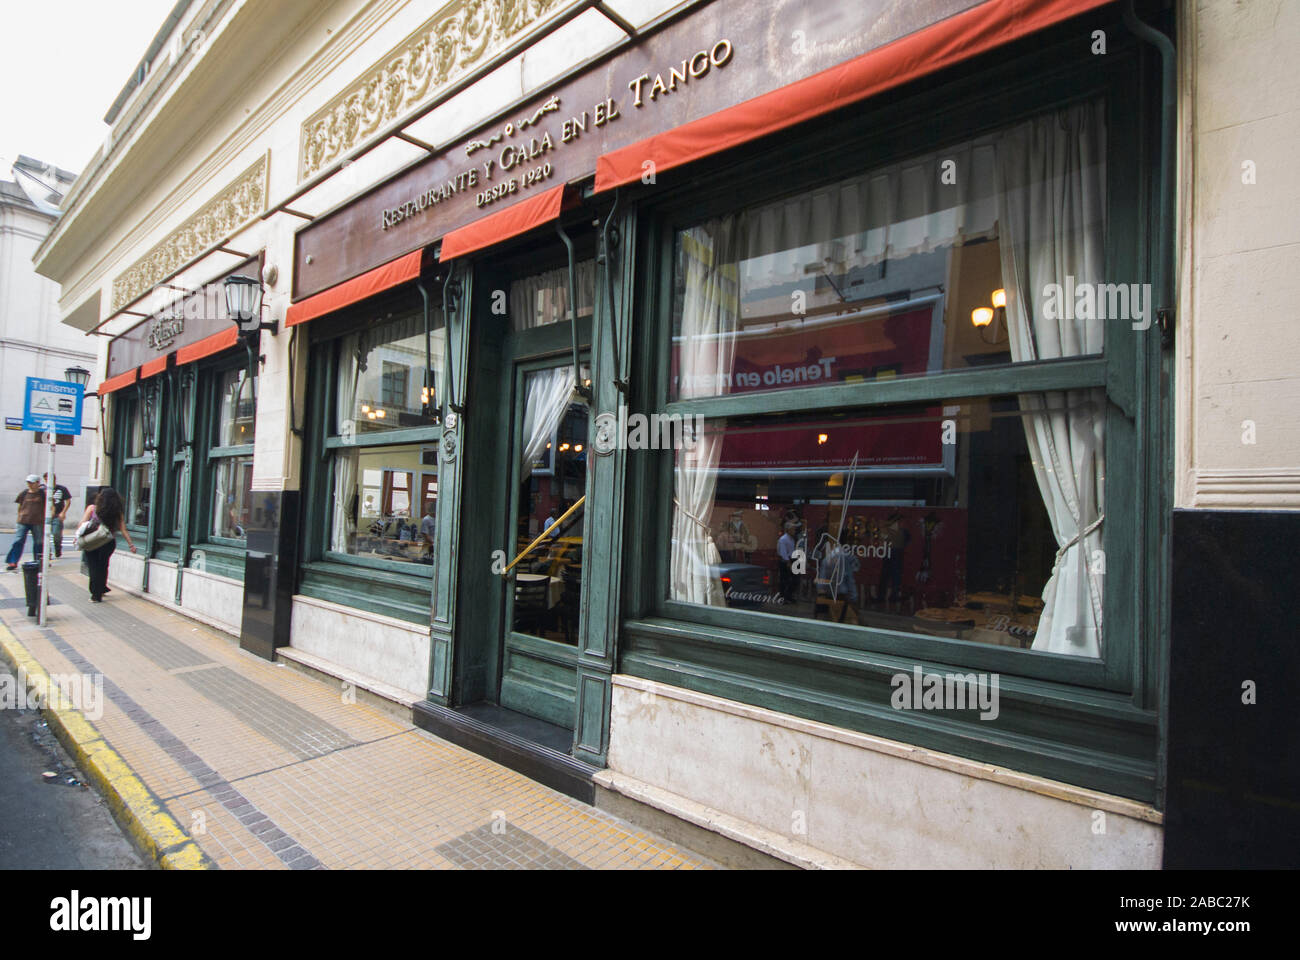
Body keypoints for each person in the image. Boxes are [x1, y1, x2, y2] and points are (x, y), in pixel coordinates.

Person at [79, 488, 136, 602]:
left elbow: (82, 524)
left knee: (93, 566)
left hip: (93, 541)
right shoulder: (117, 512)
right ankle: (101, 589)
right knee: (103, 566)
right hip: (108, 542)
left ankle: (95, 594)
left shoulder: (92, 509)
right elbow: (123, 529)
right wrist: (131, 544)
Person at [6, 475, 46, 570]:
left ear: (37, 483)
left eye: (32, 483)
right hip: (23, 521)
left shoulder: (43, 494)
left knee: (38, 542)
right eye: (28, 483)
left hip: (38, 521)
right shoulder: (24, 493)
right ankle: (13, 561)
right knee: (18, 541)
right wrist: (20, 516)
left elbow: (50, 506)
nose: (30, 485)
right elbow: (20, 506)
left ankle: (39, 561)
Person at [43, 473, 73, 560]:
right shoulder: (44, 489)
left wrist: (63, 512)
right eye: (46, 479)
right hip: (46, 515)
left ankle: (58, 548)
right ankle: (47, 553)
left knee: (56, 533)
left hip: (57, 514)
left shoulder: (62, 489)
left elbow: (68, 501)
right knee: (45, 535)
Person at [776, 522, 797, 604]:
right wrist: (788, 563)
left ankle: (788, 596)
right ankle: (782, 597)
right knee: (784, 579)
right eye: (793, 529)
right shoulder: (783, 539)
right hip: (785, 561)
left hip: (792, 559)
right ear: (788, 530)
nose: (794, 531)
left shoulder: (792, 539)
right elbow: (783, 552)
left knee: (793, 580)